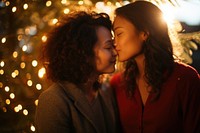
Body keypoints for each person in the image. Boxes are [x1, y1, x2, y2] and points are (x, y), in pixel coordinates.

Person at [110, 1, 200, 133]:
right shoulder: (117, 84)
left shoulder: (185, 79)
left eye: (119, 34)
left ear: (144, 33)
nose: (114, 43)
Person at [35, 11, 120, 133]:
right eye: (108, 47)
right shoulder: (53, 100)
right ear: (84, 53)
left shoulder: (106, 92)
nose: (115, 52)